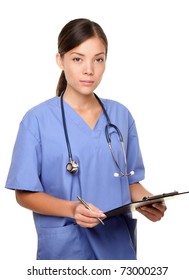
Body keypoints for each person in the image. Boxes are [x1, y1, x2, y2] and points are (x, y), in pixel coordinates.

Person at [5, 18, 166, 260]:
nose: (89, 69)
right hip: (66, 251)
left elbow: (130, 182)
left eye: (98, 59)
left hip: (117, 250)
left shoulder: (121, 116)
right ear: (60, 60)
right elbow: (24, 193)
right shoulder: (36, 120)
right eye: (77, 59)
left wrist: (148, 201)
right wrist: (72, 209)